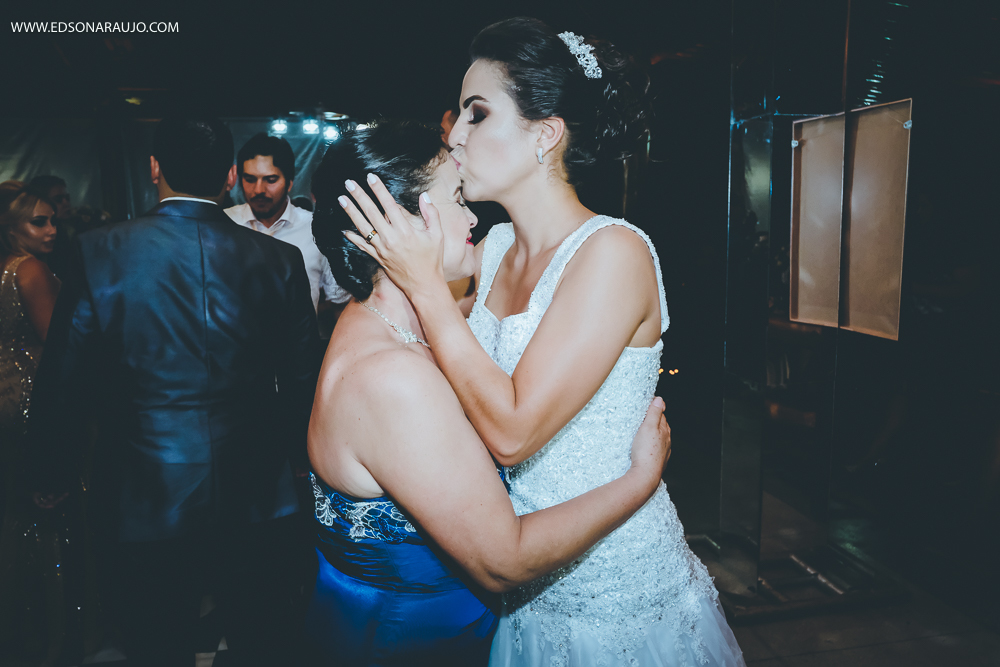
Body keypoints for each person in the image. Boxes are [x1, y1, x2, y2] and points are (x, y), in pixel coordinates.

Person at [340, 18, 745, 667]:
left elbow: (512, 429)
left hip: (620, 588)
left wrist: (424, 285)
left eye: (476, 114)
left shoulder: (613, 252)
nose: (454, 136)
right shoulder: (493, 247)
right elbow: (421, 353)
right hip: (524, 587)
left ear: (544, 134)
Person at [307, 119, 672, 666]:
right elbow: (505, 561)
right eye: (456, 198)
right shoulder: (392, 377)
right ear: (402, 226)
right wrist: (640, 480)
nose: (474, 216)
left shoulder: (379, 322)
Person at [27, 116, 322, 667]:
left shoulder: (99, 251)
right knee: (263, 644)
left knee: (155, 645)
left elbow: (66, 377)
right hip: (257, 488)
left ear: (155, 169)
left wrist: (51, 473)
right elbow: (304, 378)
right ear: (232, 176)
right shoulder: (279, 261)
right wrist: (302, 468)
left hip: (143, 492)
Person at [0, 180, 64, 663]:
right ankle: (57, 624)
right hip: (34, 396)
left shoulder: (3, 270)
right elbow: (58, 346)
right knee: (50, 513)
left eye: (52, 219)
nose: (51, 228)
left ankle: (19, 623)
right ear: (12, 227)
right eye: (38, 221)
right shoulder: (31, 270)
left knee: (15, 511)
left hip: (5, 394)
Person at [226, 132, 349, 312]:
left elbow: (340, 301)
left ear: (289, 183)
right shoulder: (224, 221)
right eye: (250, 179)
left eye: (270, 180)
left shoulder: (316, 229)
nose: (258, 190)